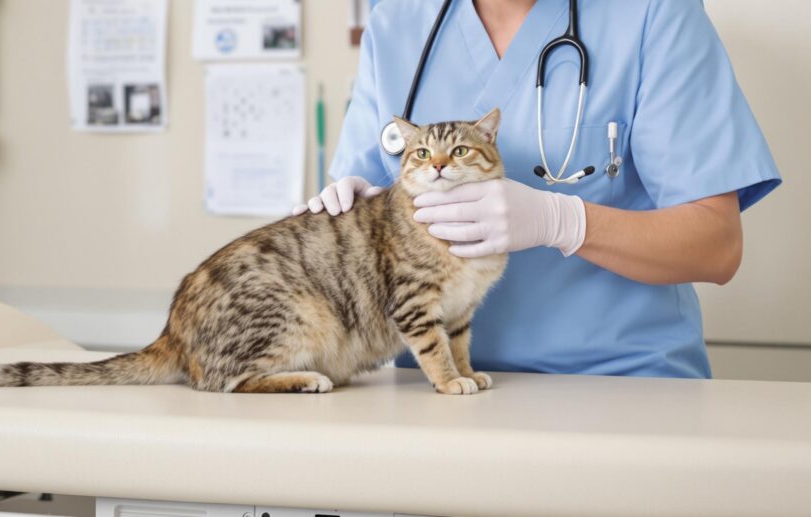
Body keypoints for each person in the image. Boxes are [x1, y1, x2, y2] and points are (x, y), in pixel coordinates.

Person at [295, 0, 781, 378]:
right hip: (437, 389)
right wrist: (352, 209)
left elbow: (717, 247)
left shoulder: (652, 14)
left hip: (623, 385)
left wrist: (565, 222)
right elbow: (374, 209)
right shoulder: (397, 24)